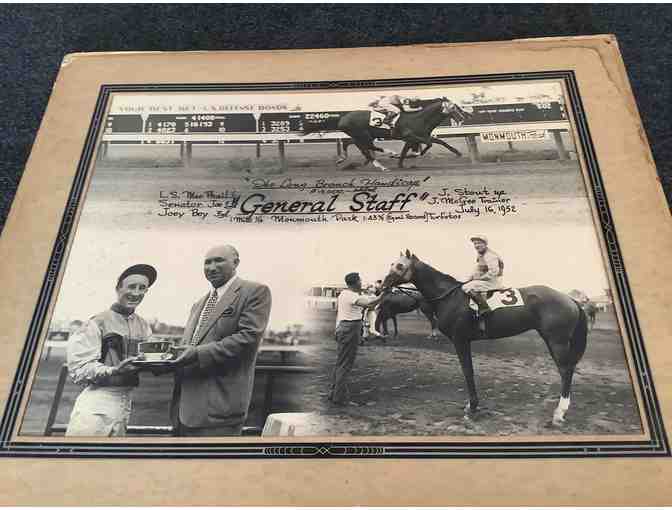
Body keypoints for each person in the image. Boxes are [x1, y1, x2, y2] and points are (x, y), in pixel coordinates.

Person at [170, 244, 272, 436]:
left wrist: (196, 353)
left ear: (236, 263)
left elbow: (248, 337)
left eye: (219, 260)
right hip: (183, 410)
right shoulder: (199, 303)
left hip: (219, 409)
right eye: (207, 262)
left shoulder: (255, 291)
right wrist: (167, 360)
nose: (211, 267)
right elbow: (189, 347)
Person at [65, 264, 157, 436]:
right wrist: (114, 370)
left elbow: (153, 358)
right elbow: (79, 370)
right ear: (118, 288)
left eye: (142, 288)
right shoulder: (97, 322)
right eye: (131, 286)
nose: (136, 293)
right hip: (96, 403)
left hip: (125, 403)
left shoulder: (144, 326)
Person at [328, 272, 385, 406]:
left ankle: (335, 393)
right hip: (350, 329)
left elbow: (370, 305)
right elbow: (370, 304)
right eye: (360, 280)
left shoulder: (345, 294)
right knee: (345, 365)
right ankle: (339, 398)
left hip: (345, 328)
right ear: (355, 283)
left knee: (341, 363)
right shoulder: (351, 295)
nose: (361, 282)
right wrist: (383, 295)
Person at [461, 235, 505, 318]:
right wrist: (468, 279)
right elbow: (476, 270)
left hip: (493, 282)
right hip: (486, 281)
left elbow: (494, 272)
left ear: (485, 244)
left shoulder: (490, 255)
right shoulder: (481, 255)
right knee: (465, 284)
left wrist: (478, 278)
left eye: (479, 243)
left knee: (466, 287)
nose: (476, 245)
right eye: (475, 244)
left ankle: (484, 308)